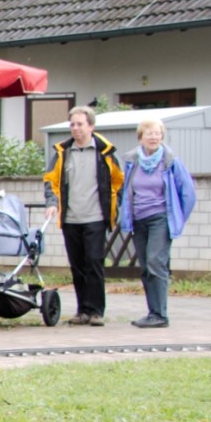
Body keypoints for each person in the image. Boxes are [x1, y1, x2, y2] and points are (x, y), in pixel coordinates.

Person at [43, 105, 124, 326]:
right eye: (72, 124)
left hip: (96, 217)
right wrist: (52, 203)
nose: (75, 128)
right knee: (77, 265)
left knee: (94, 263)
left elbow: (119, 181)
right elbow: (51, 181)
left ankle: (96, 310)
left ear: (91, 126)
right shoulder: (63, 153)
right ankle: (82, 310)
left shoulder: (104, 153)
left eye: (80, 124)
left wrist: (114, 206)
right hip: (70, 219)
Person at [117, 117, 197, 328]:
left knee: (155, 263)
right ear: (140, 137)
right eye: (148, 133)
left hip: (160, 218)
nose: (153, 137)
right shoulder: (132, 161)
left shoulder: (170, 161)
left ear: (162, 136)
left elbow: (188, 193)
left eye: (157, 133)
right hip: (139, 220)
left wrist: (177, 219)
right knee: (146, 267)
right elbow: (124, 191)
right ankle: (152, 313)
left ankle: (161, 315)